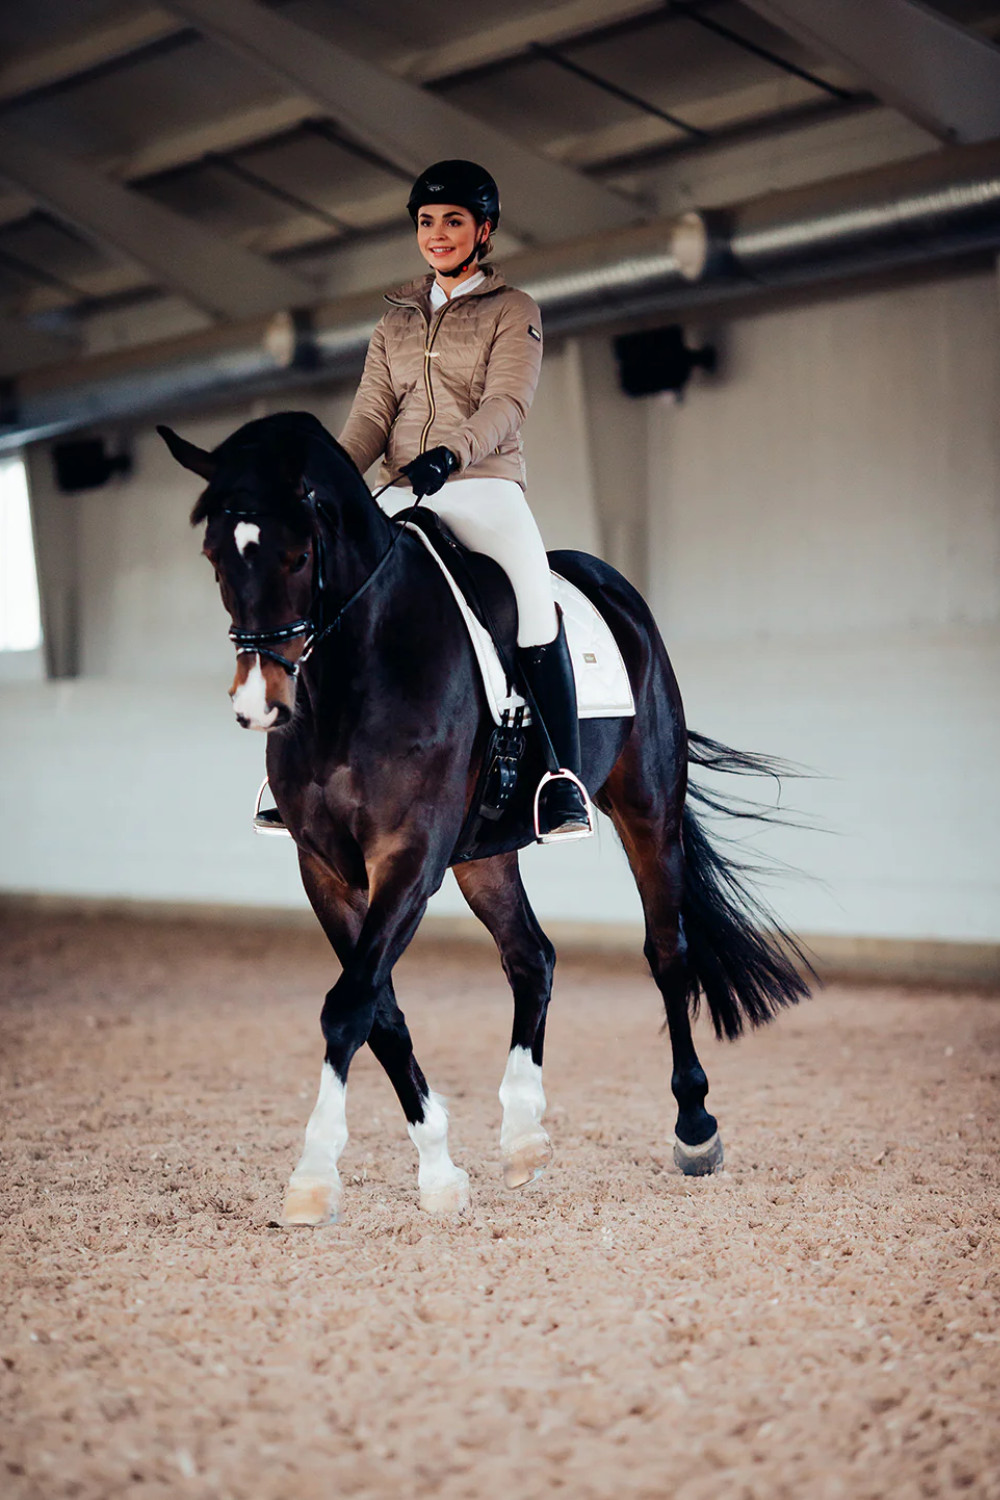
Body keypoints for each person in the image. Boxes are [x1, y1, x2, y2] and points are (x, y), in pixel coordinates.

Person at [337, 158, 593, 843]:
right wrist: (333, 478)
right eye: (427, 223)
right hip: (400, 488)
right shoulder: (393, 322)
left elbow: (508, 401)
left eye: (453, 222)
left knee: (535, 609)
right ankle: (299, 771)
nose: (438, 234)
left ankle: (561, 780)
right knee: (329, 597)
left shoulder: (514, 310)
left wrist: (451, 454)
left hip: (481, 487)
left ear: (483, 231)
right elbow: (371, 413)